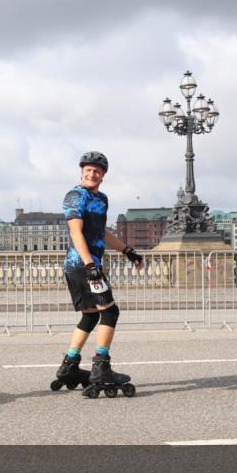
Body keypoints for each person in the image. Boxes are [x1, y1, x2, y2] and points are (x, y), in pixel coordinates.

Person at [55, 151, 144, 395]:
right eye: (88, 170)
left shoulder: (101, 199)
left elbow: (102, 232)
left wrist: (127, 251)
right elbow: (76, 232)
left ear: (103, 175)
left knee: (91, 315)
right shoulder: (75, 196)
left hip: (86, 265)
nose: (92, 174)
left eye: (97, 171)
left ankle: (70, 364)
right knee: (111, 312)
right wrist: (90, 265)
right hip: (82, 265)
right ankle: (101, 366)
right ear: (82, 172)